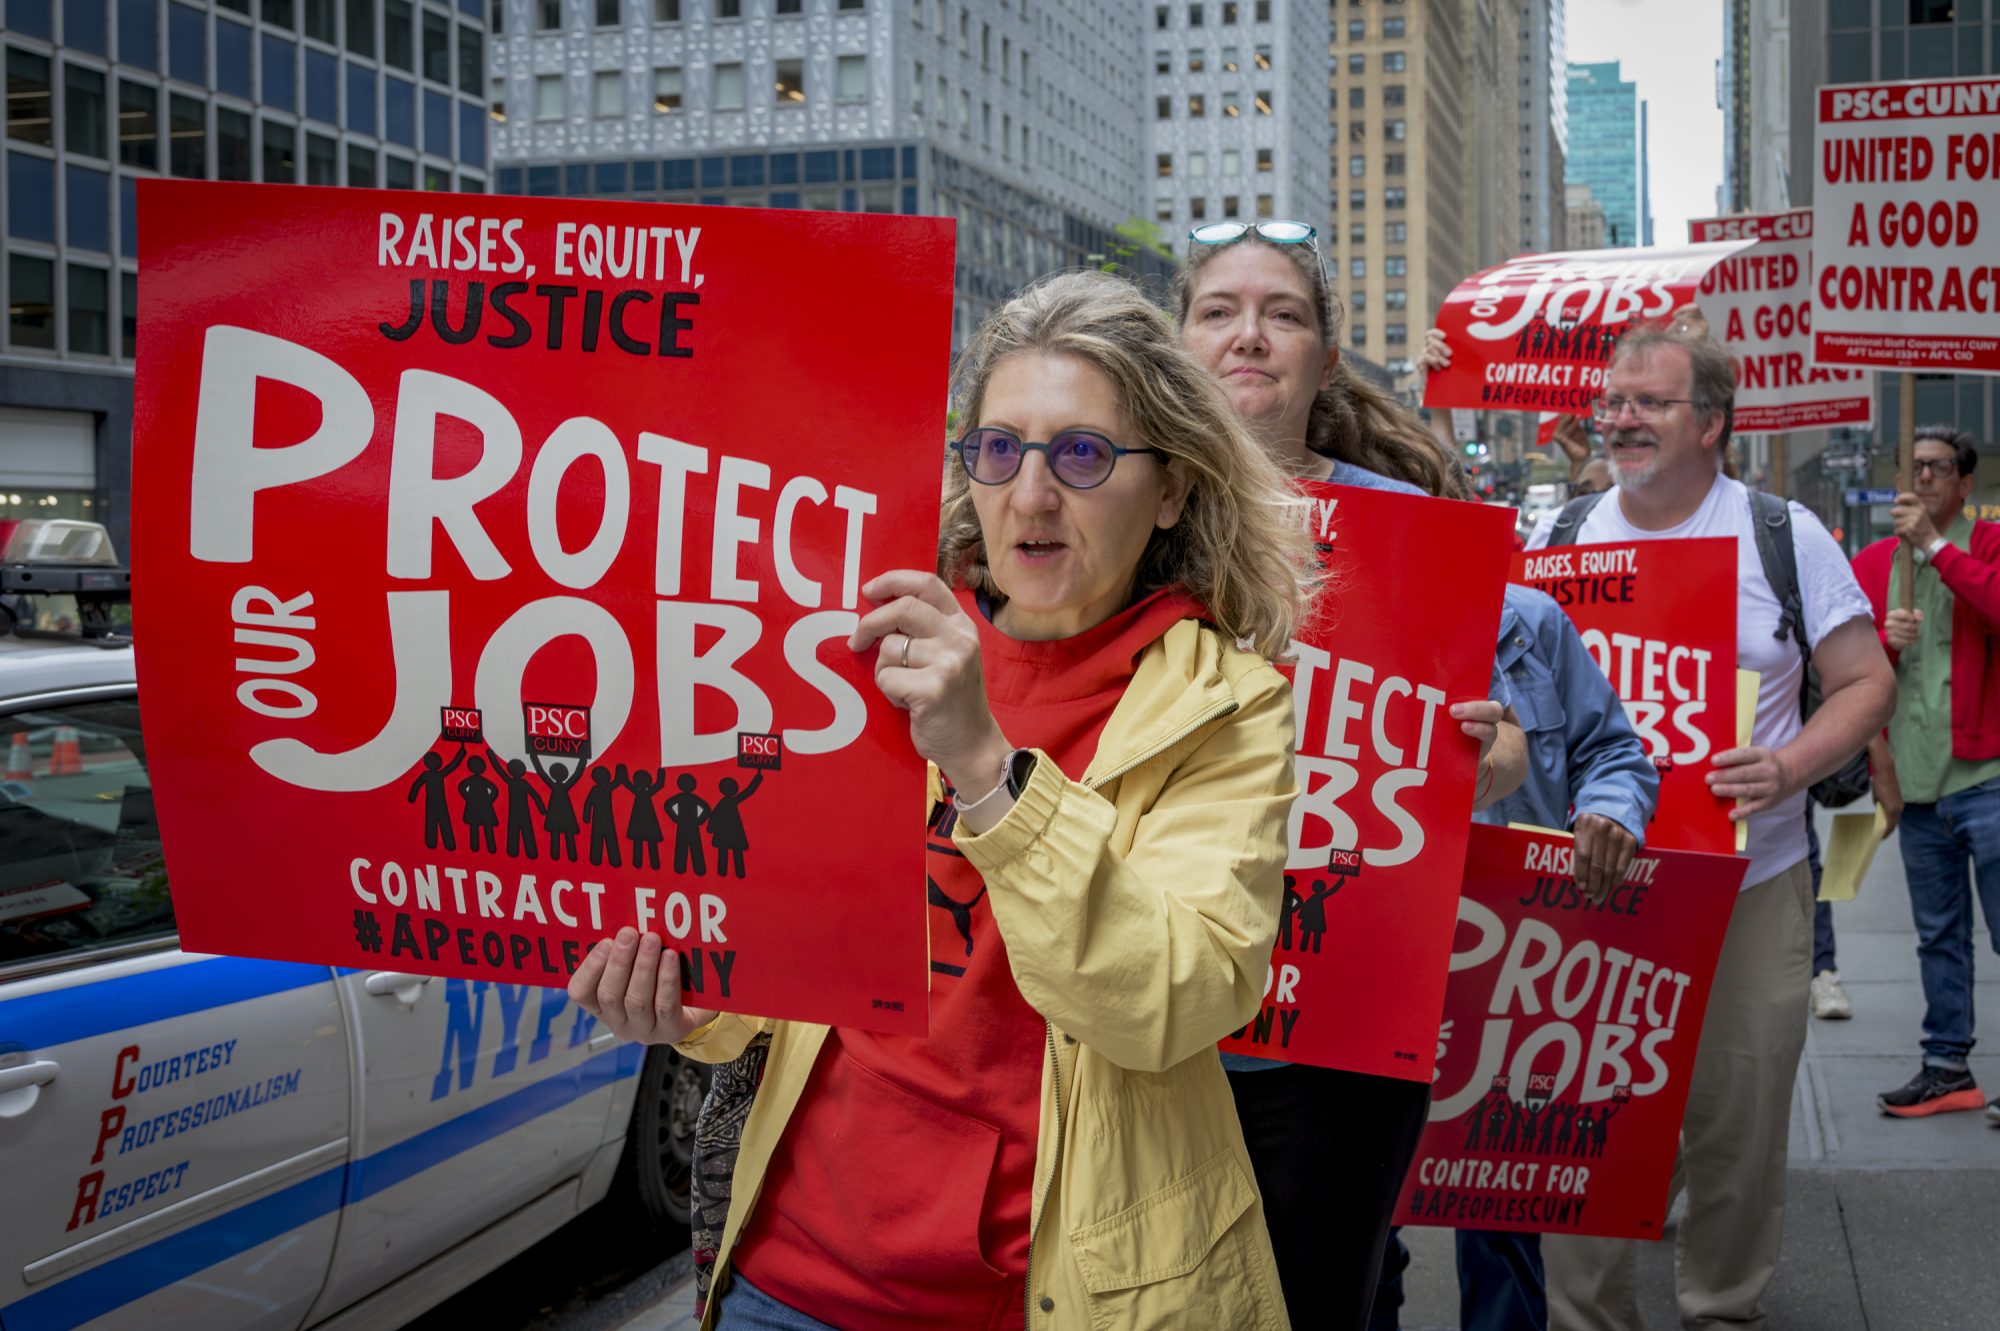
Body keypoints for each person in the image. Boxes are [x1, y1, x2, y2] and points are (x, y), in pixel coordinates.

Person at [571, 271, 1509, 1331]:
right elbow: (799, 962)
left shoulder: (1228, 704)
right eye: (999, 448)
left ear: (1171, 489)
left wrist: (987, 767)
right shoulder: (865, 648)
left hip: (1058, 1295)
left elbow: (1174, 997)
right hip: (790, 1281)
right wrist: (693, 1004)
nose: (1029, 493)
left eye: (1081, 453)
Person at [1172, 220, 1530, 1331]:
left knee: (1332, 1293)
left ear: (1323, 361)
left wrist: (1497, 757)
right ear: (1176, 345)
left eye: (1281, 313)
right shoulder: (1125, 516)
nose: (1248, 335)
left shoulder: (1418, 536)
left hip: (1346, 1011)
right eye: (1218, 309)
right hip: (1163, 1012)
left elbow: (1497, 745)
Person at [1519, 322, 1895, 1331]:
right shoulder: (1557, 542)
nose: (1620, 419)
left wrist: (1784, 766)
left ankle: (1719, 1307)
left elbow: (1864, 681)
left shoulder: (1782, 534)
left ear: (1710, 424)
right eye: (1612, 401)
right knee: (1582, 1121)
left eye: (1648, 402)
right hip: (1590, 887)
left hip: (1748, 881)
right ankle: (1585, 1317)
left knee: (1735, 1115)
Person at [1851, 424, 2000, 1119]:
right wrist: (1886, 639)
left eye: (1939, 468)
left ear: (1966, 483)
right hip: (1916, 787)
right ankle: (1947, 1067)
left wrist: (1936, 550)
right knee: (1939, 936)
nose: (1925, 478)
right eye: (1915, 467)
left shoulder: (1988, 546)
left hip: (1987, 777)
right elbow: (1846, 670)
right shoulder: (1877, 559)